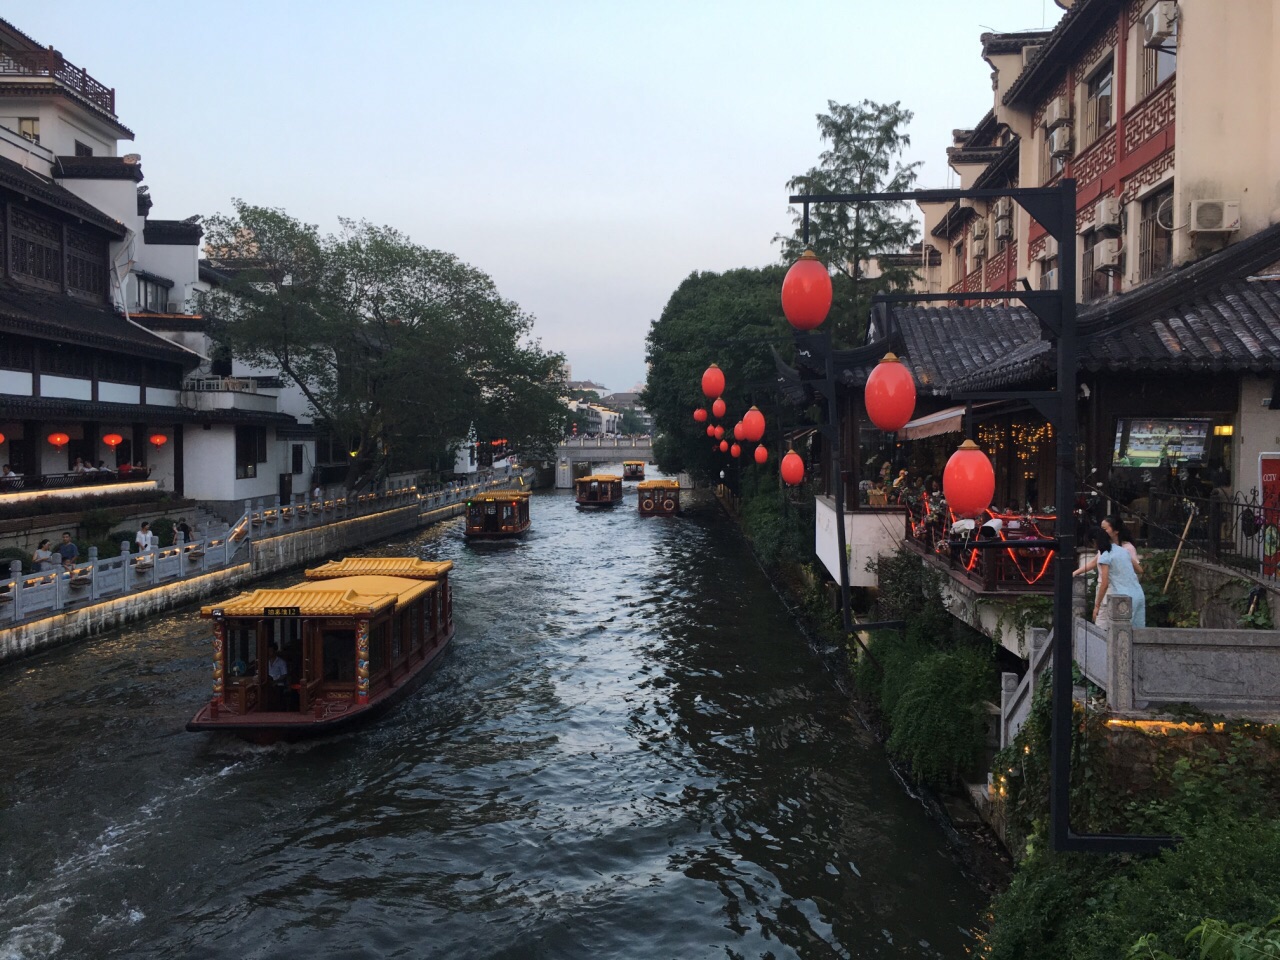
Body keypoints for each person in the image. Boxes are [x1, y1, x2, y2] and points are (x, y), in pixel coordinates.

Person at [1092, 527, 1146, 628]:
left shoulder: (1105, 556)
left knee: (1121, 634)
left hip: (1123, 598)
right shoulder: (1124, 551)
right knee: (1138, 632)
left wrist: (1097, 606)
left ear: (1095, 542)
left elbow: (1104, 584)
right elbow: (1140, 570)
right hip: (1138, 594)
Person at [1074, 515, 1142, 578]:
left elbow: (1136, 569)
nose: (1101, 532)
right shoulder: (1105, 545)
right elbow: (1094, 563)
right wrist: (1074, 573)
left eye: (1104, 529)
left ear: (1116, 531)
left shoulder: (1128, 548)